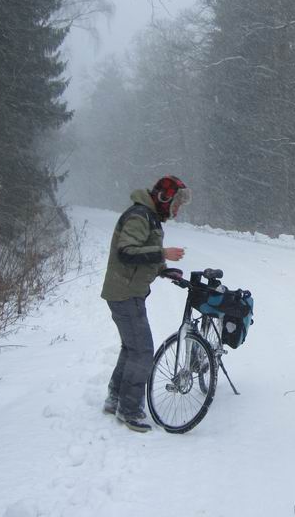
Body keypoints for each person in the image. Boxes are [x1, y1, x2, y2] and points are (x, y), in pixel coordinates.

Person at [100, 175, 191, 432]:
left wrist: (163, 269)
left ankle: (115, 399)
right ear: (164, 198)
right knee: (142, 352)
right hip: (125, 293)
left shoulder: (149, 217)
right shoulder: (140, 216)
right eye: (176, 204)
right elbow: (127, 252)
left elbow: (142, 252)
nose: (177, 211)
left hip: (127, 292)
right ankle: (129, 410)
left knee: (132, 348)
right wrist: (162, 253)